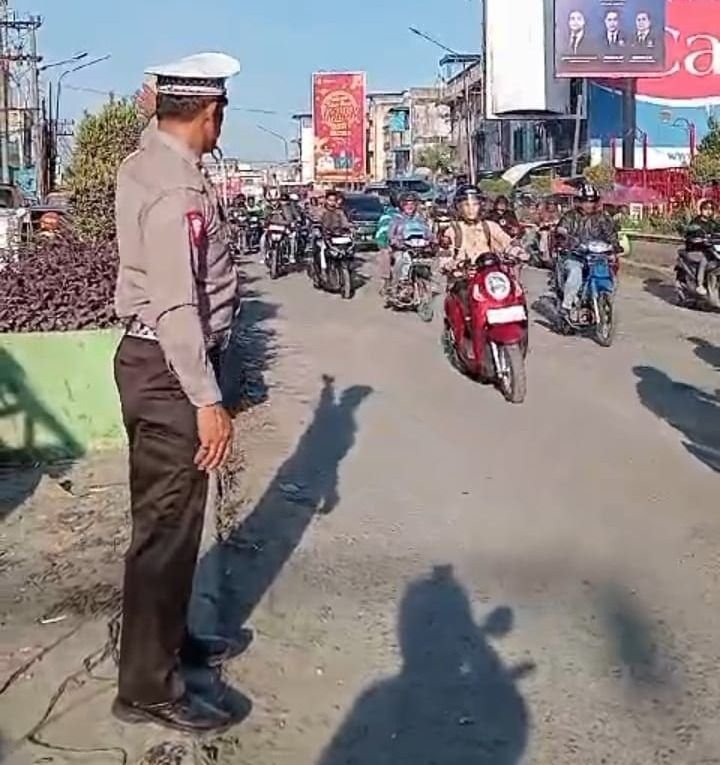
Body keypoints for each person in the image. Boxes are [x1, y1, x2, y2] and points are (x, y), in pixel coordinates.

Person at [113, 52, 244, 733]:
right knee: (165, 533)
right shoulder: (176, 192)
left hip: (148, 363)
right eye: (221, 110)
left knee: (164, 525)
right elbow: (176, 306)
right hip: (169, 370)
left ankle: (166, 642)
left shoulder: (149, 162)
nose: (223, 121)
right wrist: (206, 398)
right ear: (208, 113)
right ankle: (145, 685)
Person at [556, 183, 618, 317]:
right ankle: (566, 306)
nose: (589, 204)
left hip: (597, 257)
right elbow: (562, 229)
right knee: (575, 273)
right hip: (575, 255)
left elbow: (611, 234)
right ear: (580, 201)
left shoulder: (603, 217)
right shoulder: (570, 216)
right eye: (586, 201)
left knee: (609, 272)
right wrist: (565, 235)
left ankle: (602, 300)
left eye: (592, 201)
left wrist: (614, 248)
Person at [388, 191, 434, 285]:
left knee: (428, 262)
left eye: (412, 204)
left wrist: (433, 240)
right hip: (402, 249)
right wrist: (396, 242)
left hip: (419, 249)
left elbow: (428, 233)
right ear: (402, 206)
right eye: (406, 204)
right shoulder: (397, 219)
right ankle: (398, 283)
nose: (410, 206)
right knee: (402, 260)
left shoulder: (420, 219)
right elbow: (390, 235)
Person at [686, 199, 720, 296]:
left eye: (711, 209)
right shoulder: (696, 222)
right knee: (705, 259)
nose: (708, 211)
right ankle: (699, 285)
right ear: (701, 210)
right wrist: (697, 238)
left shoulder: (713, 223)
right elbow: (691, 231)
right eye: (706, 209)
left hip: (709, 249)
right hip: (694, 250)